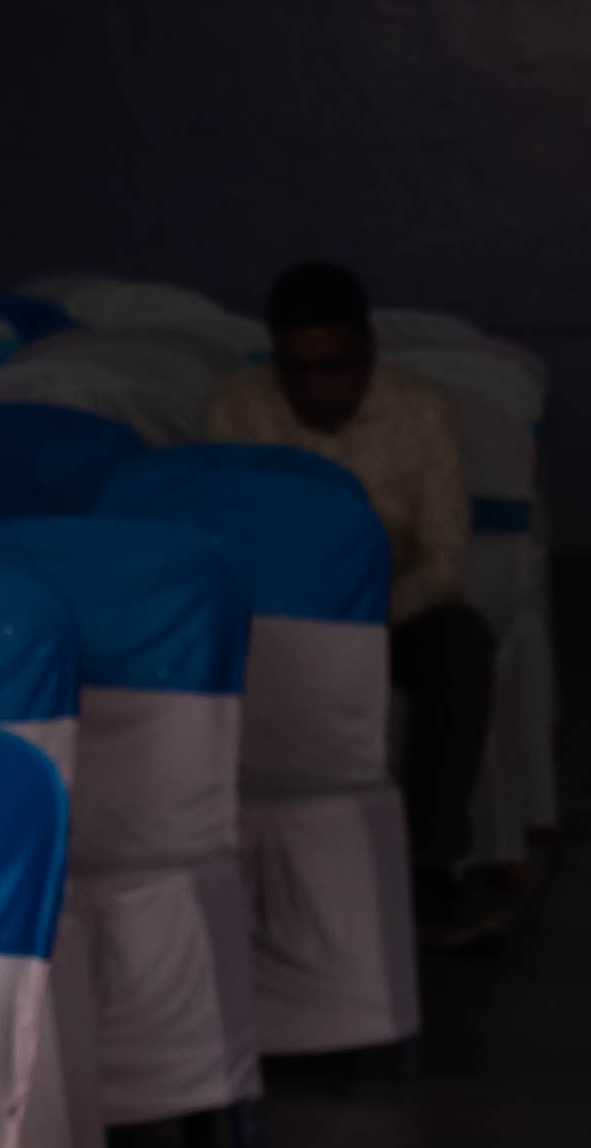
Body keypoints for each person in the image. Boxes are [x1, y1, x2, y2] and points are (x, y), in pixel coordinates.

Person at [205, 263, 499, 947]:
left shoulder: (419, 412)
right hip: (273, 622)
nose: (315, 389)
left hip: (386, 613)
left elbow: (444, 561)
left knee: (462, 643)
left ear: (367, 352)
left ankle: (432, 864)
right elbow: (222, 547)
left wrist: (361, 622)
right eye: (296, 370)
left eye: (332, 368)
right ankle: (230, 853)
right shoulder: (236, 412)